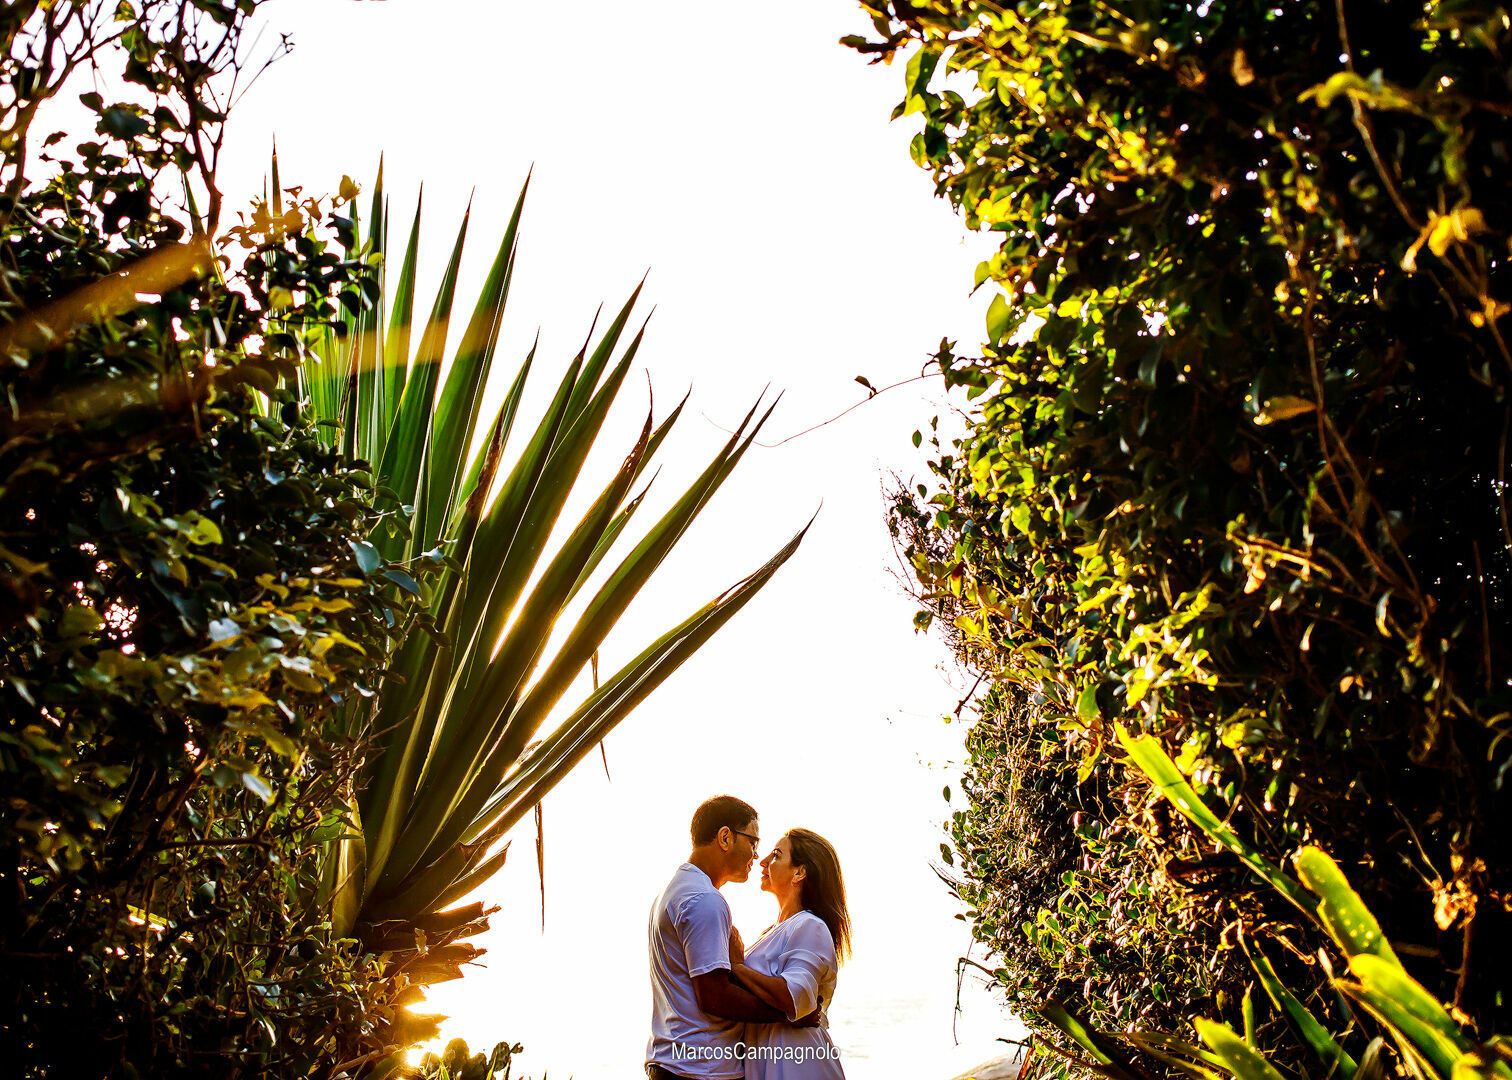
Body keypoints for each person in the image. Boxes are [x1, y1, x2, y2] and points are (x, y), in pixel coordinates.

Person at [646, 796, 818, 1080]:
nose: (755, 855)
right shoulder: (704, 900)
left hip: (675, 1063)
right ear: (725, 837)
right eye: (752, 842)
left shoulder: (674, 892)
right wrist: (789, 1015)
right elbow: (714, 997)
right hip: (700, 1069)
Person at [728, 828, 849, 1080]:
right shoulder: (773, 931)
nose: (762, 862)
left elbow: (795, 998)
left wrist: (739, 967)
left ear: (799, 872)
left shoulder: (810, 926)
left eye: (775, 855)